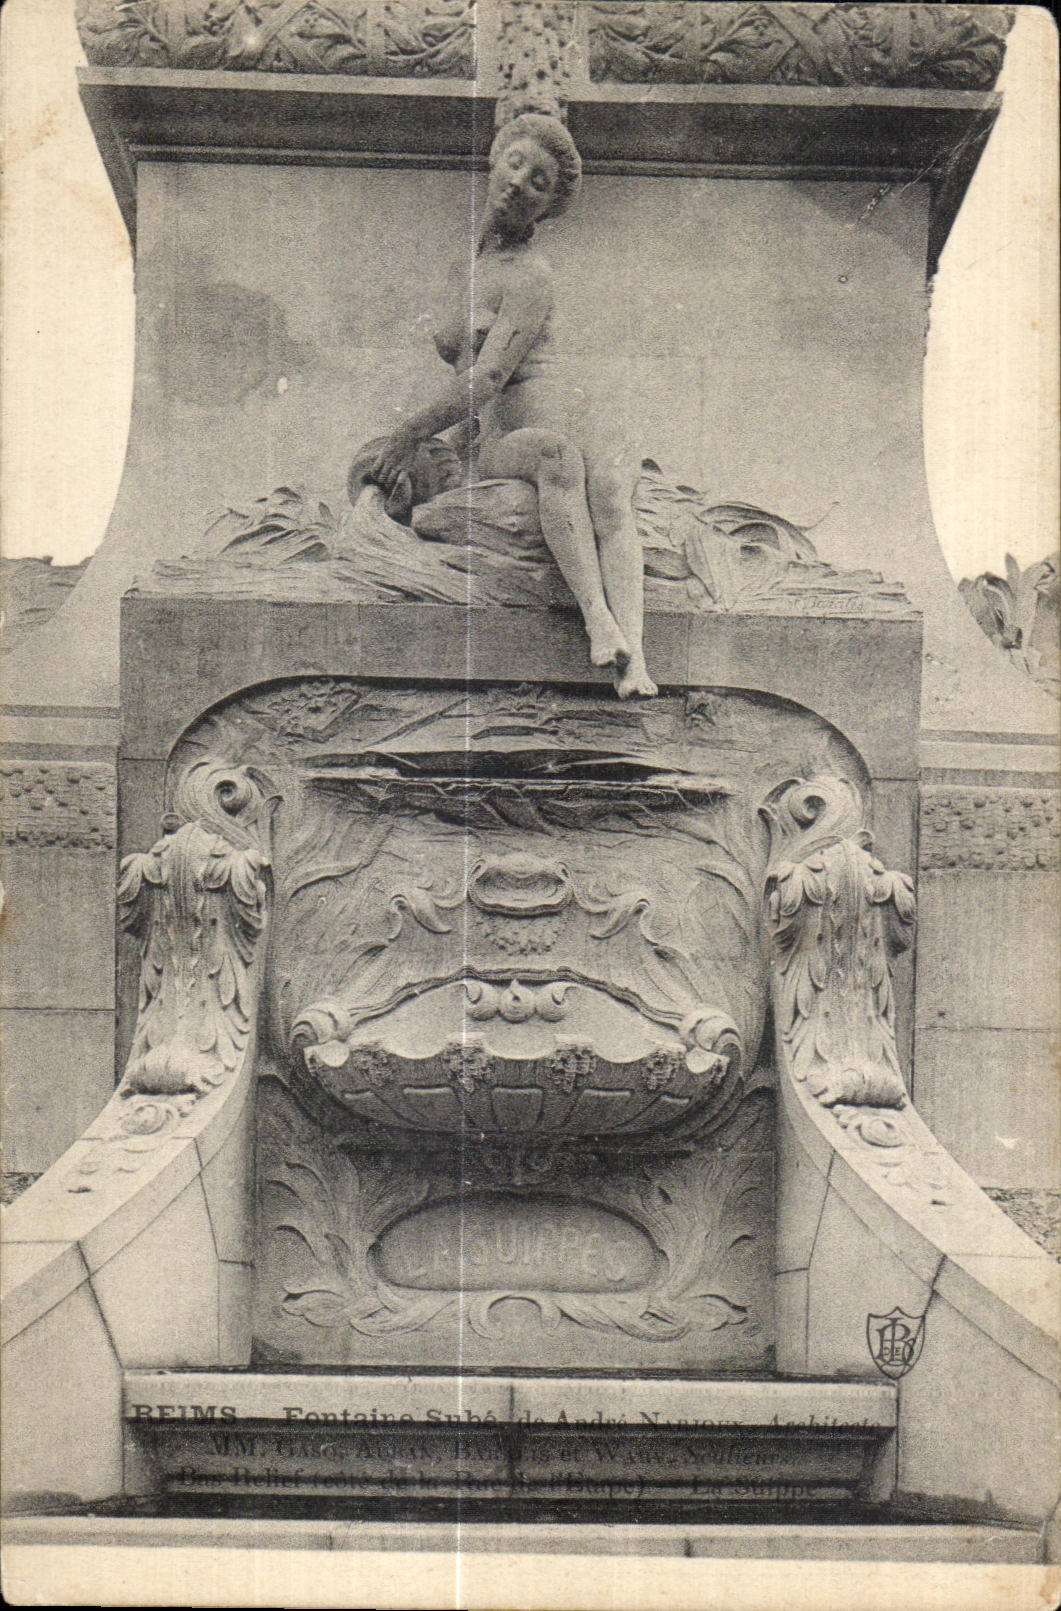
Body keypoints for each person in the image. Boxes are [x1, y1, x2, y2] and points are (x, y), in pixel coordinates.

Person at [365, 112, 657, 698]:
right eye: (516, 164)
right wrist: (415, 442)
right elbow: (480, 388)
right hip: (509, 437)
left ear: (546, 209)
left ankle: (637, 659)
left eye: (540, 183)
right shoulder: (467, 272)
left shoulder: (531, 275)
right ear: (495, 162)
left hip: (563, 409)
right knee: (555, 458)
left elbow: (488, 375)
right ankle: (598, 620)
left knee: (609, 490)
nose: (521, 182)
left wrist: (406, 434)